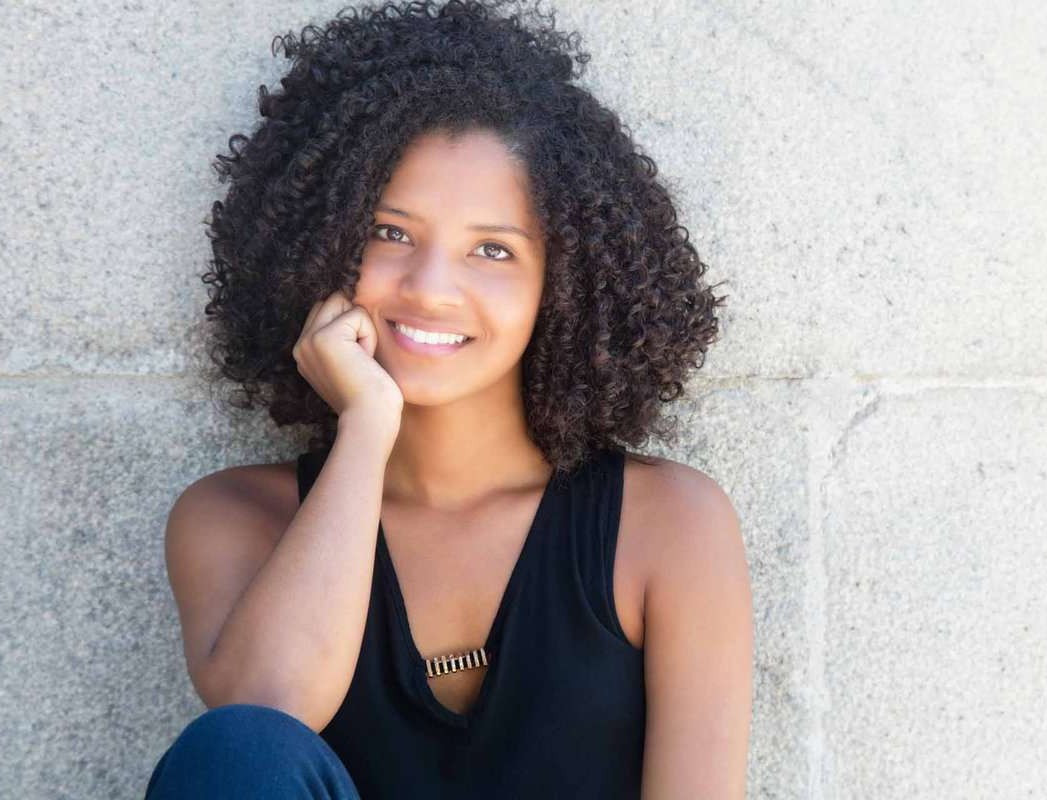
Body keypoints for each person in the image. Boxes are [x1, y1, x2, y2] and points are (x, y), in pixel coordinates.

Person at [145, 0, 754, 797]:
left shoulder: (668, 526)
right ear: (321, 246)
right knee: (238, 750)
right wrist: (366, 428)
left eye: (492, 250)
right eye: (391, 233)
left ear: (563, 286)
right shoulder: (235, 519)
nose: (430, 288)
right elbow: (266, 716)